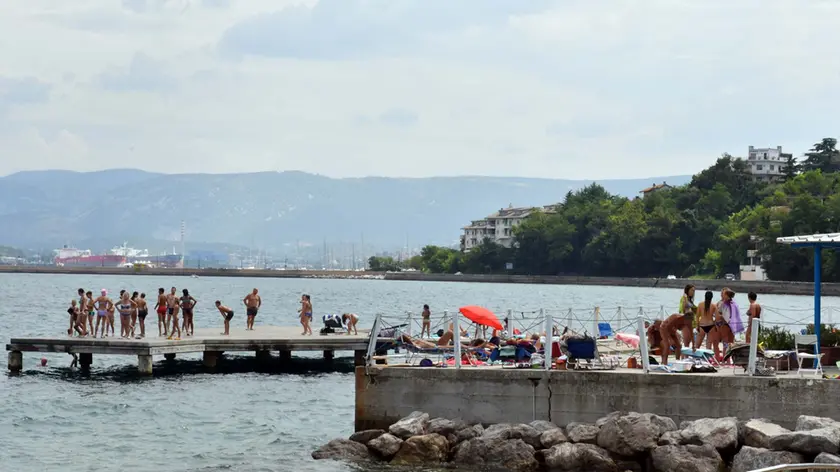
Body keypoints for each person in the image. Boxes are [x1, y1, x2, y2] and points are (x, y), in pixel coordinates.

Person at [679, 284, 696, 348]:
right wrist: (685, 299)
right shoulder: (684, 298)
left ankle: (686, 357)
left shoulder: (690, 299)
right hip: (685, 321)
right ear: (687, 290)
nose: (693, 292)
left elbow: (693, 309)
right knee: (686, 341)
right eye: (692, 290)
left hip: (690, 321)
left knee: (688, 341)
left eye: (694, 291)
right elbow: (682, 309)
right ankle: (684, 357)